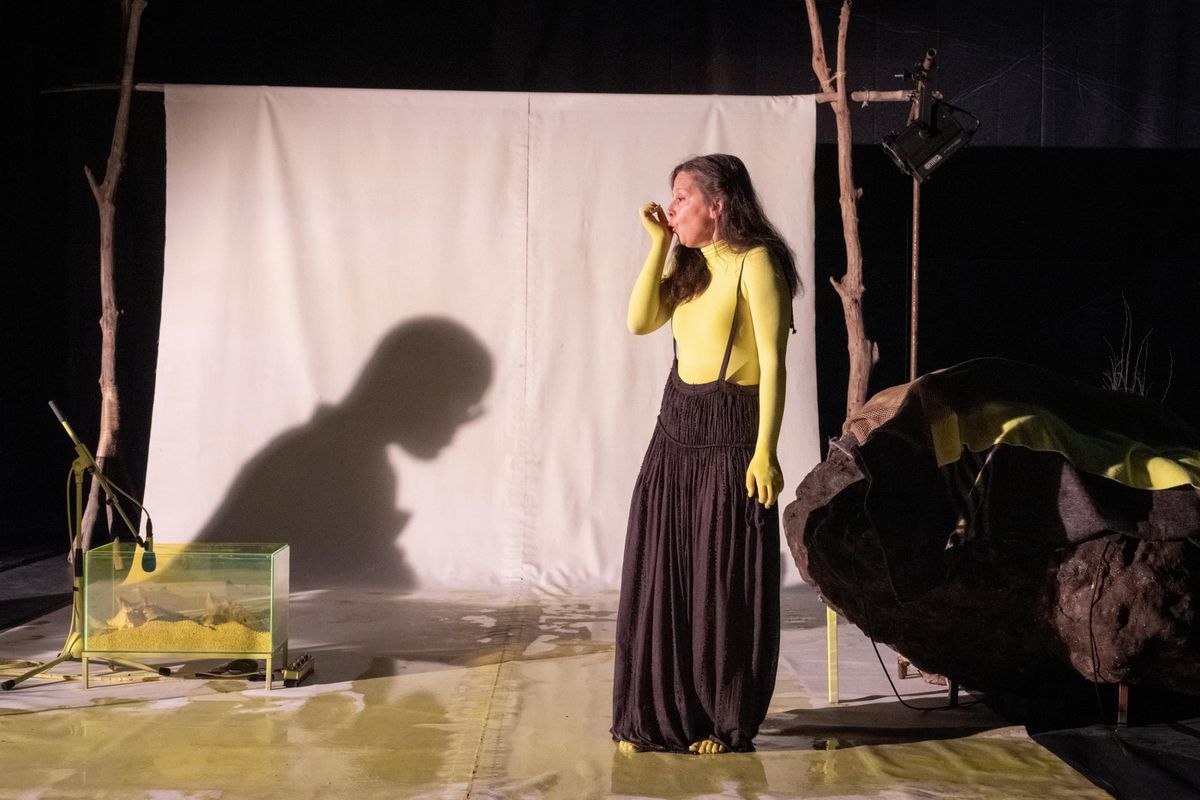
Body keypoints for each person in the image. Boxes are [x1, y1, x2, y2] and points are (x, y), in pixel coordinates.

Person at [611, 153, 800, 754]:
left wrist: (766, 451)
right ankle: (658, 714)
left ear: (717, 205)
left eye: (682, 197)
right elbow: (639, 320)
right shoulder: (690, 266)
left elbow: (773, 365)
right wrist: (659, 245)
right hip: (674, 430)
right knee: (661, 570)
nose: (671, 207)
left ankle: (723, 718)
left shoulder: (756, 262)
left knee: (720, 582)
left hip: (729, 434)